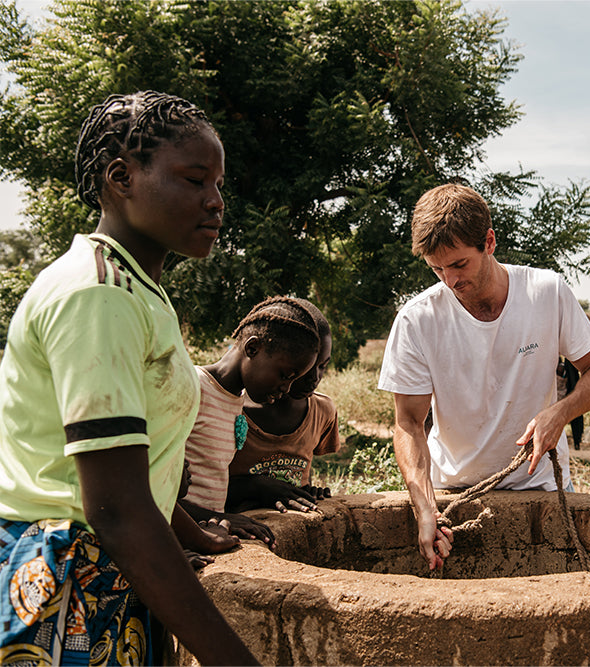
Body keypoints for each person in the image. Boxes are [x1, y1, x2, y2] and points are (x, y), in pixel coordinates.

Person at [0, 91, 258, 665]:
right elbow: (115, 506)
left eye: (219, 185)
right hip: (65, 586)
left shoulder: (138, 289)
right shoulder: (98, 295)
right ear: (122, 177)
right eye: (195, 180)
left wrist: (190, 533)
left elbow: (137, 461)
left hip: (111, 573)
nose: (216, 202)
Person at [378, 183, 590, 571]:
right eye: (436, 268)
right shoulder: (418, 319)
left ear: (488, 242)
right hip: (454, 488)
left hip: (541, 485)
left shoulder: (546, 293)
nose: (450, 281)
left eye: (459, 265)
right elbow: (408, 423)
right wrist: (424, 505)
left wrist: (559, 413)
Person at [180, 296, 324, 536]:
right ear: (252, 348)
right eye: (284, 375)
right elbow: (152, 486)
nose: (286, 389)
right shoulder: (194, 387)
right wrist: (216, 518)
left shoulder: (233, 400)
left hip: (205, 532)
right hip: (179, 534)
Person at [227, 298, 339, 511]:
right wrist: (256, 487)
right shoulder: (232, 409)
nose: (314, 377)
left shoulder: (322, 411)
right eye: (307, 367)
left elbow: (301, 470)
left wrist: (305, 490)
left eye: (323, 366)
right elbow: (206, 486)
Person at [556, 357, 585, 450]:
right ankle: (576, 441)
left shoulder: (567, 364)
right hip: (567, 392)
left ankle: (577, 442)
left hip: (570, 391)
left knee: (576, 419)